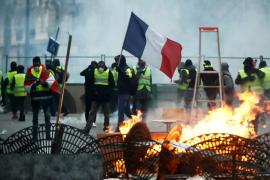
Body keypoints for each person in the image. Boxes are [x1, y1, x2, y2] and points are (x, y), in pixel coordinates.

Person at [24, 56, 58, 141]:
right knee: (35, 118)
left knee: (47, 117)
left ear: (40, 62)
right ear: (33, 63)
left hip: (46, 98)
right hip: (35, 99)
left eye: (37, 62)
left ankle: (47, 136)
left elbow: (52, 83)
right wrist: (33, 85)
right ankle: (34, 137)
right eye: (35, 63)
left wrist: (45, 83)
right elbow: (26, 86)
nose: (36, 64)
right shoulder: (29, 73)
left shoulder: (46, 72)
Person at [83, 61, 115, 133]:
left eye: (102, 67)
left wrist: (107, 93)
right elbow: (90, 83)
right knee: (93, 114)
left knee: (105, 114)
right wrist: (94, 91)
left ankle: (106, 128)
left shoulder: (108, 72)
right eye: (100, 67)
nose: (101, 68)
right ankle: (87, 128)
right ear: (98, 67)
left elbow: (112, 85)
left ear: (104, 66)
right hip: (97, 96)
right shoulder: (94, 72)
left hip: (103, 97)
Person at [235, 57, 265, 133]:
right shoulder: (242, 73)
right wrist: (247, 78)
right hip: (245, 99)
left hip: (255, 99)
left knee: (254, 118)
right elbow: (237, 81)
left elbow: (262, 75)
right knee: (245, 117)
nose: (246, 67)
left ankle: (253, 134)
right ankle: (246, 133)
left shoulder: (256, 72)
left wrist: (255, 72)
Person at [114, 55, 133, 132]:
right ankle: (137, 122)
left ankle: (119, 128)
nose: (116, 62)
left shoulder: (127, 68)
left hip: (124, 93)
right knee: (127, 111)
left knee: (121, 112)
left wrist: (121, 72)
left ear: (122, 60)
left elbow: (130, 77)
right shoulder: (121, 68)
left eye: (118, 61)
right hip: (124, 93)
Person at [80, 60, 98, 126]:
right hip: (93, 92)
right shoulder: (95, 71)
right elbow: (81, 73)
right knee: (92, 108)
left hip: (88, 92)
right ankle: (92, 122)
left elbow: (81, 73)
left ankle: (89, 122)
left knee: (89, 108)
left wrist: (88, 68)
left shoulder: (88, 70)